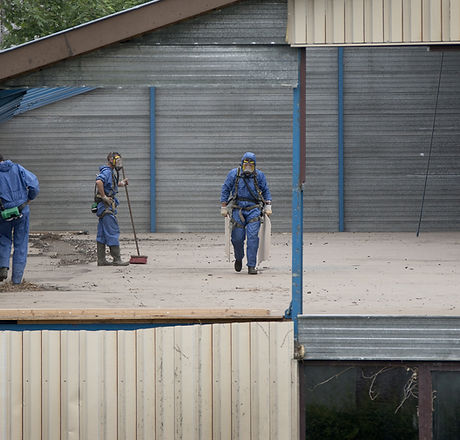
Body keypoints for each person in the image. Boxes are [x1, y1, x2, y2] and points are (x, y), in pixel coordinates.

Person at [220, 152, 272, 275]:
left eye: (251, 164)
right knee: (237, 238)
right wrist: (223, 206)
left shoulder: (259, 176)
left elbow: (265, 190)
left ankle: (251, 265)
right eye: (246, 164)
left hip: (254, 209)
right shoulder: (234, 174)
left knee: (253, 237)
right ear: (242, 164)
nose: (248, 166)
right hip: (238, 209)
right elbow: (226, 189)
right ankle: (238, 258)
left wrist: (268, 205)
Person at [0, 154, 40, 284]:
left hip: (3, 213)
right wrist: (29, 198)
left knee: (3, 239)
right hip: (21, 209)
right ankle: (16, 280)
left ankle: (3, 266)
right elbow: (34, 185)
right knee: (21, 243)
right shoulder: (17, 168)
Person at [95, 152, 129, 266]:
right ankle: (117, 259)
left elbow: (110, 185)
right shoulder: (107, 171)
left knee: (102, 234)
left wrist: (122, 183)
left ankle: (101, 260)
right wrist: (104, 196)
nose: (119, 163)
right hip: (106, 207)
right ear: (110, 159)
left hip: (102, 208)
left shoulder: (110, 172)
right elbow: (99, 181)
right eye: (117, 160)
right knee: (112, 231)